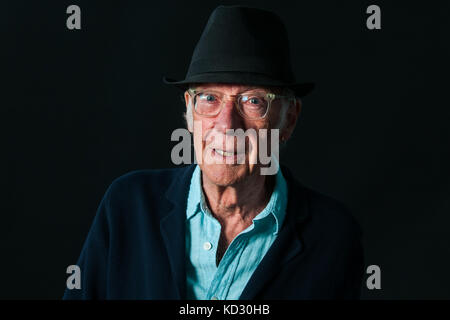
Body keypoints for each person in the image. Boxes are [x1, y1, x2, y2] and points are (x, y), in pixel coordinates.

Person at [63, 5, 364, 300]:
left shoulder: (332, 236)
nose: (227, 124)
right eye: (209, 98)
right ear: (189, 111)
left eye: (253, 101)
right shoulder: (128, 205)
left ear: (289, 118)